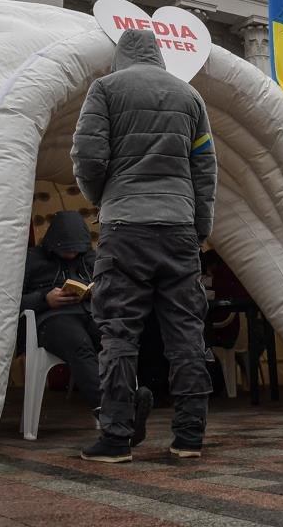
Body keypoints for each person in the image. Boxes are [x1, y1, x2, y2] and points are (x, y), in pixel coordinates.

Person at [72, 28, 218, 463]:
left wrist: (104, 197)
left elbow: (88, 155)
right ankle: (189, 438)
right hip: (178, 230)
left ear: (121, 56)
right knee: (187, 334)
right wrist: (199, 228)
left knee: (118, 332)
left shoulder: (106, 89)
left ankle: (116, 438)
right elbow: (205, 170)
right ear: (158, 55)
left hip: (125, 228)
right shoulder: (190, 97)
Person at [20, 211, 106, 413]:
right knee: (79, 345)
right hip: (53, 319)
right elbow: (10, 302)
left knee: (116, 340)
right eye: (66, 249)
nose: (71, 254)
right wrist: (45, 299)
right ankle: (109, 410)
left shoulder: (91, 258)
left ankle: (124, 402)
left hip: (90, 314)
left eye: (76, 249)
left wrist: (97, 293)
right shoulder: (32, 260)